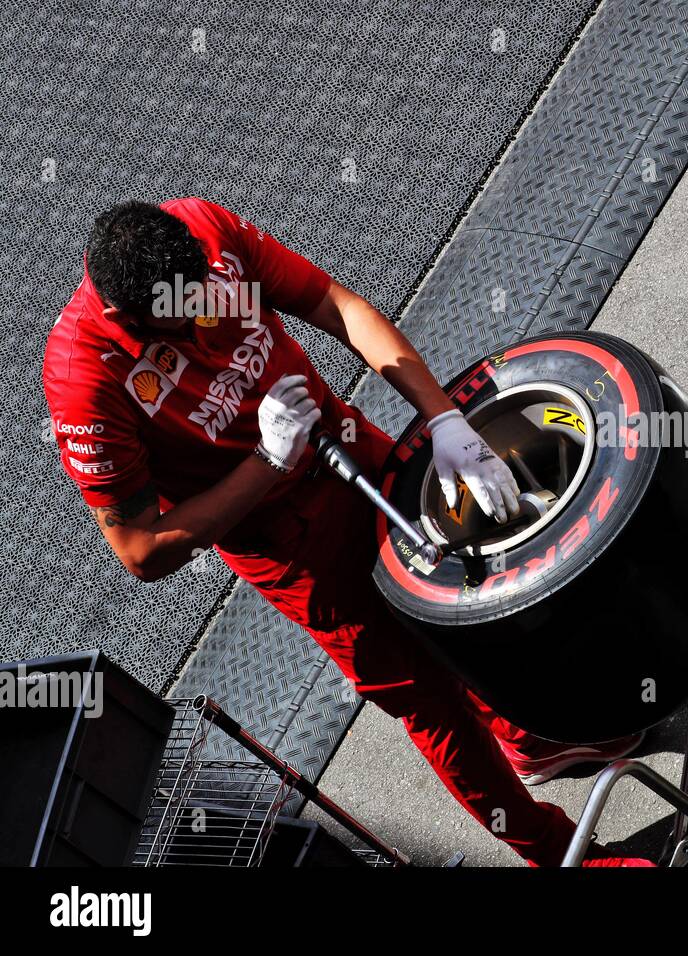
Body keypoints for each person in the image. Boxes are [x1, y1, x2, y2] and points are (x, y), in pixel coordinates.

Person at [43, 197, 649, 866]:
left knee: (476, 587)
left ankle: (530, 734)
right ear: (133, 319)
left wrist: (445, 418)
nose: (209, 319)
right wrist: (264, 462)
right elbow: (141, 550)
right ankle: (559, 852)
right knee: (427, 698)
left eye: (209, 295)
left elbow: (336, 305)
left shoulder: (205, 230)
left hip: (347, 439)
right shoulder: (83, 381)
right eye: (185, 319)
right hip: (287, 543)